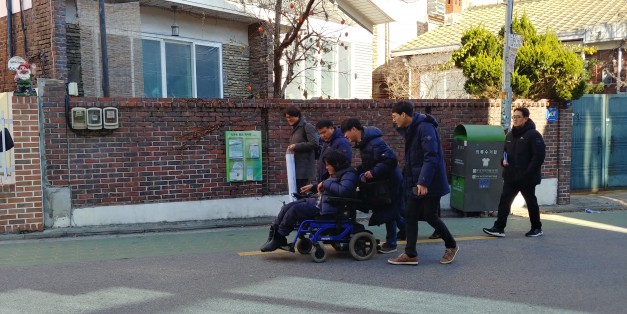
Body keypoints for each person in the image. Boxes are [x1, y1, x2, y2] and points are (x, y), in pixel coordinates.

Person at [388, 101, 458, 265]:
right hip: (417, 180)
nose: (393, 120)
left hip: (429, 181)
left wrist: (424, 181)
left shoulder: (425, 128)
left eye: (394, 116)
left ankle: (452, 245)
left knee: (430, 216)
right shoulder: (412, 128)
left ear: (404, 115)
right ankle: (410, 254)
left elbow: (431, 156)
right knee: (411, 214)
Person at [261, 150, 358, 252]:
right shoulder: (338, 172)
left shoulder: (349, 174)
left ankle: (279, 237)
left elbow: (343, 190)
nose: (326, 167)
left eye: (328, 165)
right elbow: (331, 186)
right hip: (321, 202)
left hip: (329, 208)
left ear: (336, 164)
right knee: (287, 207)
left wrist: (324, 184)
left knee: (294, 210)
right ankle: (274, 235)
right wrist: (314, 186)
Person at [340, 118, 405, 254]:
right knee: (394, 210)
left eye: (346, 133)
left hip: (390, 181)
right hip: (385, 180)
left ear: (354, 129)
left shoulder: (375, 143)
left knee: (390, 210)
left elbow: (391, 159)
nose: (345, 137)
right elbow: (372, 161)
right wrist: (361, 170)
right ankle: (407, 231)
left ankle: (392, 242)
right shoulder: (365, 143)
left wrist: (373, 172)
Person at [483, 107, 546, 238]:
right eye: (514, 117)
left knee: (530, 202)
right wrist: (503, 161)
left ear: (526, 118)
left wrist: (528, 174)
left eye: (518, 117)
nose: (515, 119)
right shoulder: (510, 135)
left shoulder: (534, 135)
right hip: (511, 176)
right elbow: (505, 153)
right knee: (504, 201)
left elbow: (538, 157)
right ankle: (499, 228)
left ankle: (537, 228)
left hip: (526, 178)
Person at [300, 119, 352, 195]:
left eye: (324, 132)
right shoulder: (326, 143)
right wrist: (315, 185)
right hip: (326, 186)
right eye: (320, 133)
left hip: (333, 188)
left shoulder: (342, 142)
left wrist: (325, 183)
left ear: (331, 128)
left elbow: (343, 167)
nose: (322, 135)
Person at [284, 105, 320, 190]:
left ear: (297, 116)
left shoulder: (307, 126)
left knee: (302, 194)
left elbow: (315, 143)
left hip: (303, 170)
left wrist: (296, 146)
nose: (288, 119)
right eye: (287, 117)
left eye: (291, 117)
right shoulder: (295, 128)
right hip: (295, 168)